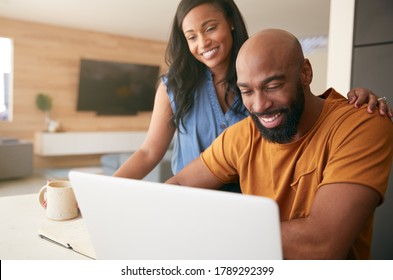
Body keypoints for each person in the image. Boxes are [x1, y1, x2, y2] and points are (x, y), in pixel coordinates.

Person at [114, 0, 392, 193]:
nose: (203, 43)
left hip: (250, 203)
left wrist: (353, 102)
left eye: (210, 28)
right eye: (192, 36)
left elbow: (298, 108)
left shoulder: (259, 81)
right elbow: (149, 151)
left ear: (230, 24)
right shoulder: (174, 86)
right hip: (189, 198)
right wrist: (105, 191)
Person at [166, 29, 393, 259]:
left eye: (272, 86)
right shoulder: (241, 137)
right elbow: (176, 187)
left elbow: (321, 244)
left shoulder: (362, 124)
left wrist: (212, 232)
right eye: (247, 91)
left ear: (305, 73)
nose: (260, 105)